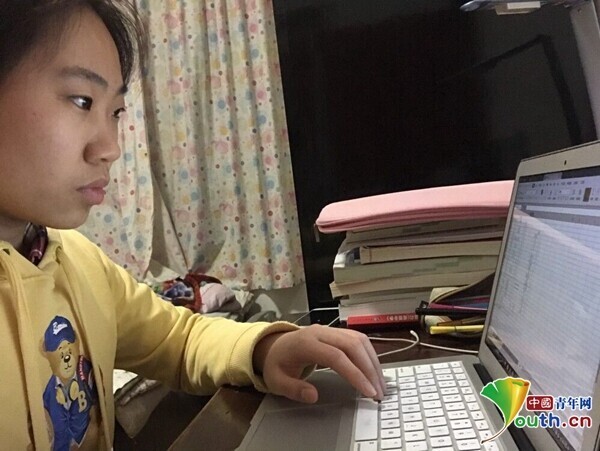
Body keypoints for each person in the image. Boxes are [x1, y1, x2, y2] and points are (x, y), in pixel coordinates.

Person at [0, 1, 384, 449]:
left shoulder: (75, 260)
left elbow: (177, 339)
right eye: (82, 100)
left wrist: (266, 349)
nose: (110, 148)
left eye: (115, 112)